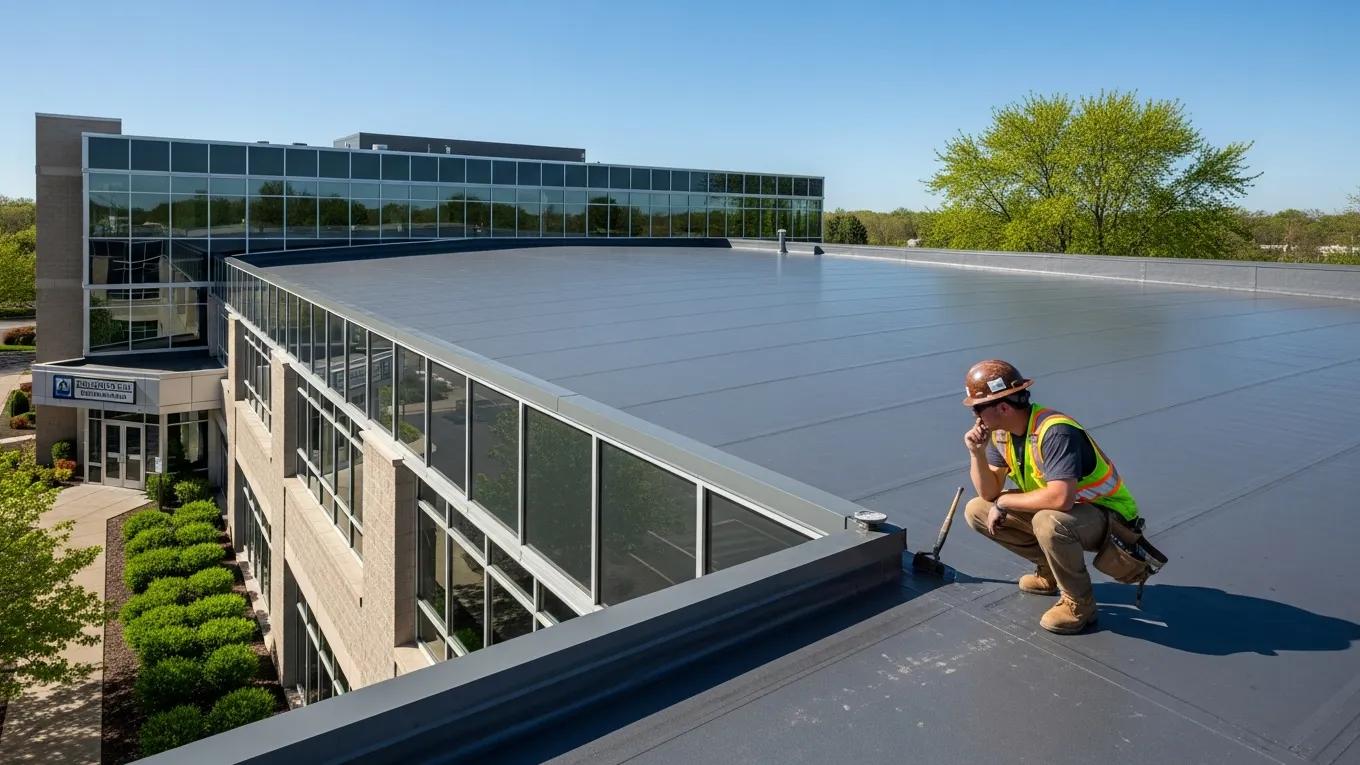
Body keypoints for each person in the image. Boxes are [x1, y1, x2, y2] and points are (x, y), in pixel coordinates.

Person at [961, 359, 1140, 634]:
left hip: (1109, 517)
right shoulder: (1002, 435)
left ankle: (1079, 604)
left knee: (1048, 521)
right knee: (977, 510)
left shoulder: (1055, 431)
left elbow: (1060, 499)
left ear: (1003, 407)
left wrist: (1005, 502)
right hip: (1070, 513)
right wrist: (977, 453)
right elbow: (988, 493)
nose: (976, 417)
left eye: (977, 408)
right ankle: (1049, 571)